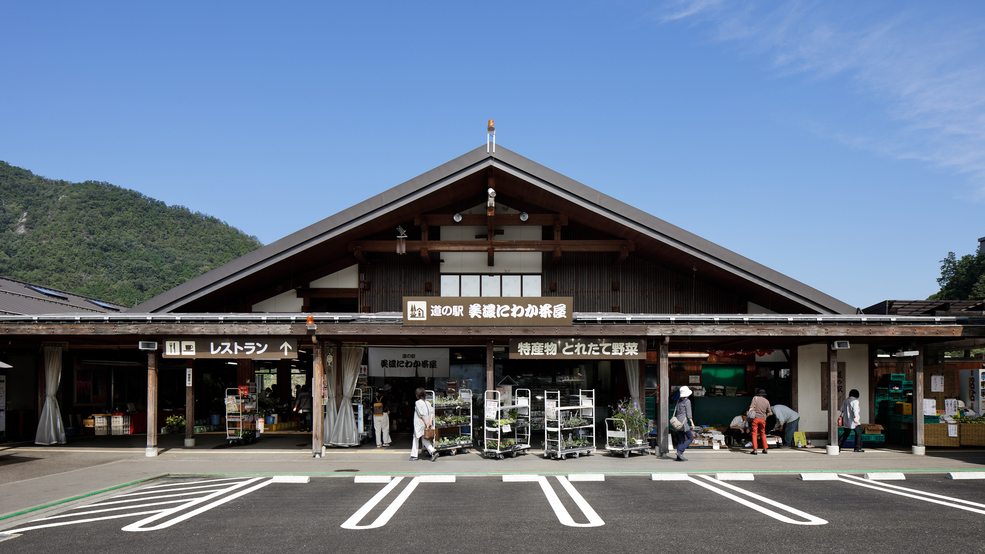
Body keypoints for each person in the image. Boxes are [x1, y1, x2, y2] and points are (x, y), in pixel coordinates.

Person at [411, 387, 437, 462]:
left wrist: (425, 421)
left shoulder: (418, 403)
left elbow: (421, 413)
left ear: (417, 395)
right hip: (427, 424)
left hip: (420, 424)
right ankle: (433, 451)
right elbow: (432, 412)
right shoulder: (428, 403)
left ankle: (414, 455)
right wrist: (430, 422)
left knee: (416, 438)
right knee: (424, 439)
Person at [672, 386, 695, 462]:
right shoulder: (687, 401)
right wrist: (692, 423)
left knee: (681, 439)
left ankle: (679, 457)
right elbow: (689, 414)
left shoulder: (679, 401)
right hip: (684, 423)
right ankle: (680, 452)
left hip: (678, 422)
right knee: (690, 438)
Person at [748, 388, 772, 455]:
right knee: (762, 433)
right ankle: (765, 449)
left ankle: (755, 450)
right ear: (764, 395)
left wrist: (749, 413)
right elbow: (769, 412)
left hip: (755, 418)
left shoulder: (755, 398)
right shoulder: (767, 401)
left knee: (754, 433)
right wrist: (765, 417)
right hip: (763, 419)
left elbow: (751, 408)